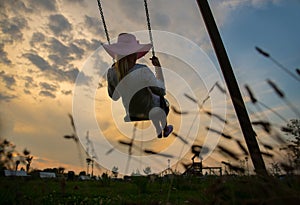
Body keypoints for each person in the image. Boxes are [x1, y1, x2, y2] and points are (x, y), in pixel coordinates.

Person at [104, 33, 173, 138]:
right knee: (160, 100)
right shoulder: (142, 70)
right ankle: (165, 128)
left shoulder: (111, 72)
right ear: (134, 55)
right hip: (150, 109)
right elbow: (161, 90)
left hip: (132, 114)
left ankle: (158, 129)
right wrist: (158, 67)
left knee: (153, 101)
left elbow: (114, 97)